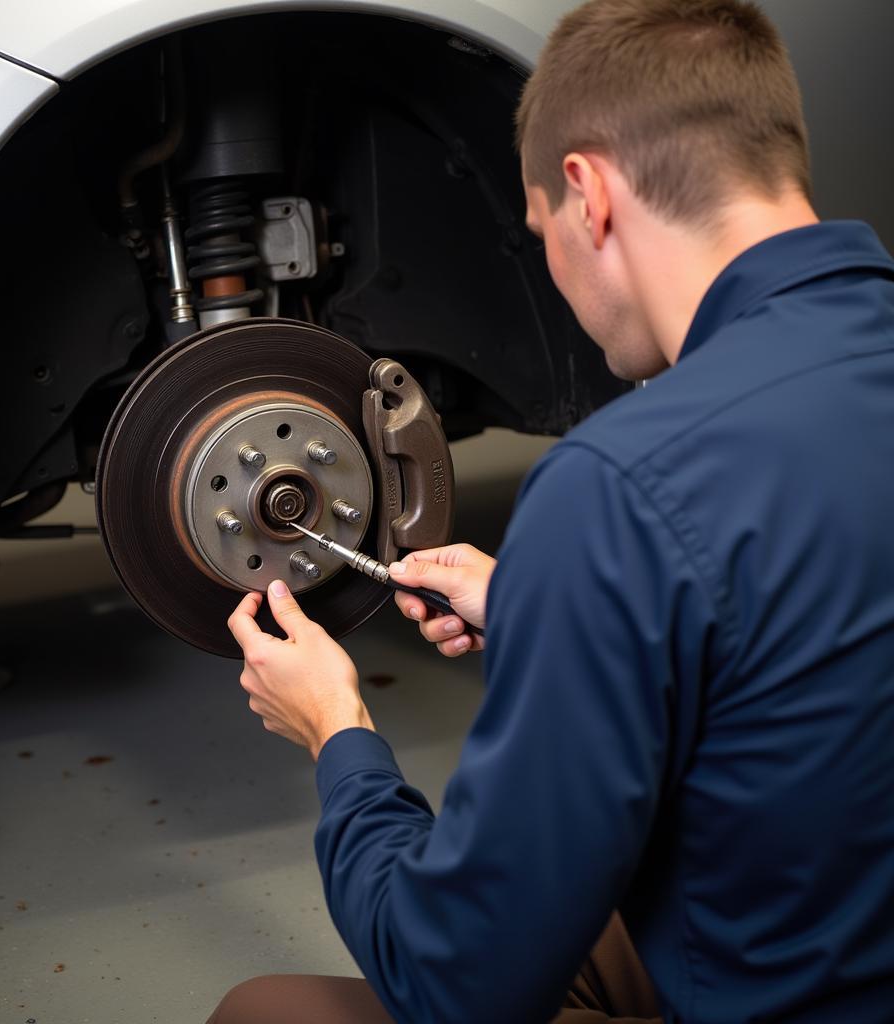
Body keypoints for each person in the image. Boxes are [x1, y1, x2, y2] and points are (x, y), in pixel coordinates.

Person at [214, 0, 894, 1020]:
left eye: (537, 235)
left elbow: (456, 984)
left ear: (588, 194)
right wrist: (552, 605)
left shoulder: (621, 485)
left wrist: (337, 733)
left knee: (263, 1012)